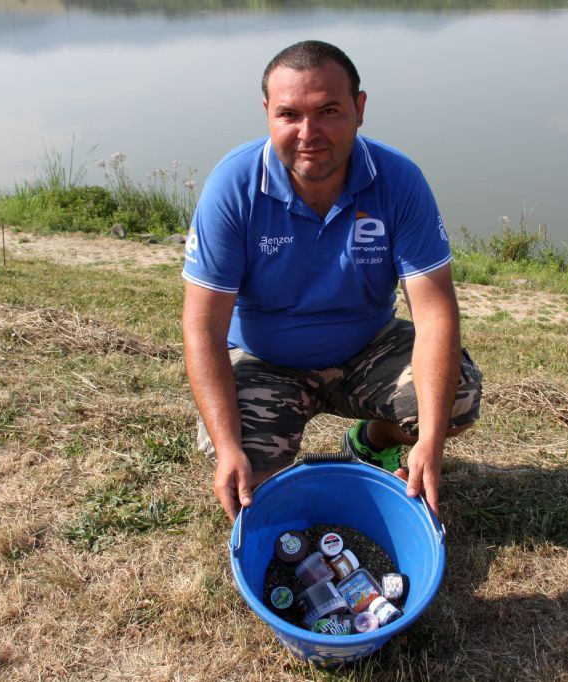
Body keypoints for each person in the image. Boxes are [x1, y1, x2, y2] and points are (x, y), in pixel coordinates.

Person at [182, 40, 482, 521]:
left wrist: (429, 439)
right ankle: (256, 457)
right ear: (267, 114)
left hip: (367, 348)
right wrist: (227, 446)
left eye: (328, 110)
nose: (308, 133)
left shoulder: (399, 180)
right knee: (252, 477)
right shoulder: (233, 186)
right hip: (263, 359)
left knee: (458, 399)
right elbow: (202, 329)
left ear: (360, 109)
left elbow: (435, 315)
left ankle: (372, 441)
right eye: (289, 115)